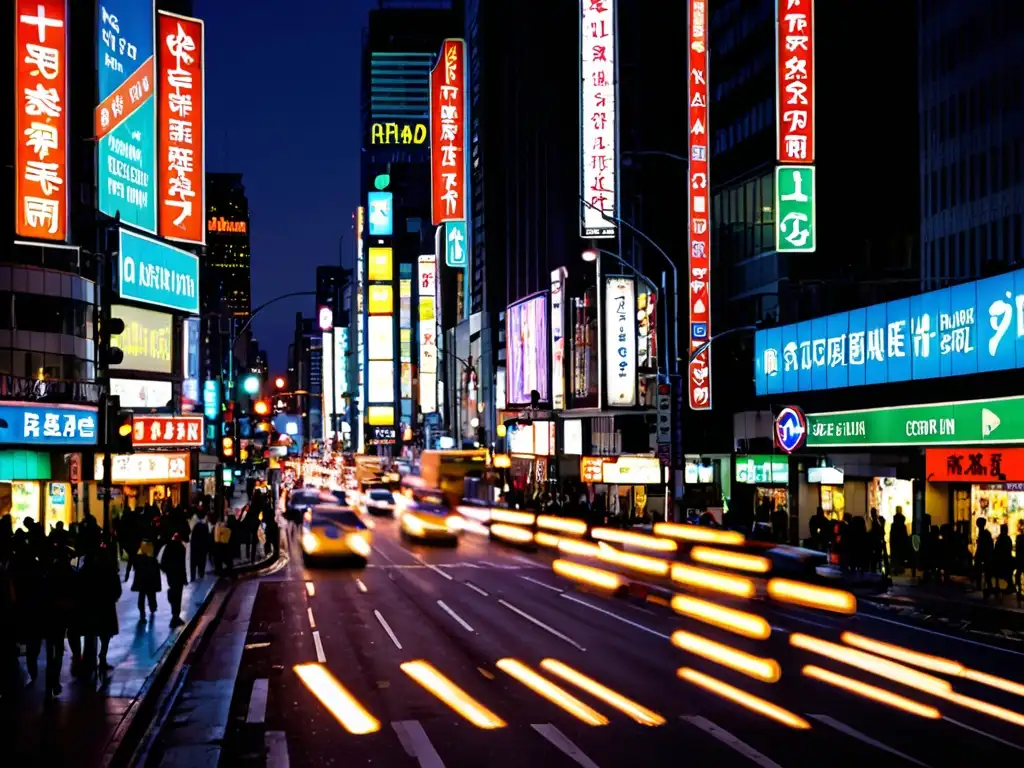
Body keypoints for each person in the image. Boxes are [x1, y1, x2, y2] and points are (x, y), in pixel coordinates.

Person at [131, 536, 162, 623]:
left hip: (142, 581)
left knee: (142, 597)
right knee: (151, 595)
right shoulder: (152, 559)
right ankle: (152, 607)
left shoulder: (139, 558)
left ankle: (142, 614)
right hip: (150, 581)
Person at [160, 533, 188, 628]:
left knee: (174, 593)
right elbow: (182, 564)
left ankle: (175, 615)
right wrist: (184, 578)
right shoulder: (181, 548)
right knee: (178, 595)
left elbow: (163, 561)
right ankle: (175, 616)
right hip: (179, 575)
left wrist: (166, 570)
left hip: (171, 575)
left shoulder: (168, 546)